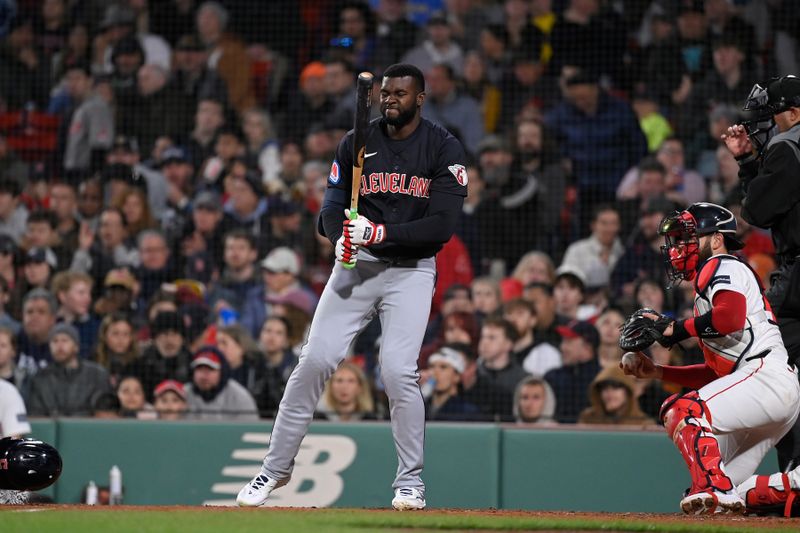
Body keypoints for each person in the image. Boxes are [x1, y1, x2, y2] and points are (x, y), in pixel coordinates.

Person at [237, 64, 467, 511]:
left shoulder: (443, 146)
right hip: (356, 266)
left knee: (398, 371)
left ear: (420, 98)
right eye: (386, 93)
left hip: (411, 271)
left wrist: (378, 233)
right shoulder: (357, 141)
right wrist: (339, 234)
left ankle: (410, 482)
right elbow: (330, 208)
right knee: (314, 360)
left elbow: (441, 226)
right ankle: (274, 469)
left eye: (400, 94)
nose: (390, 100)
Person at [620, 202, 800, 515]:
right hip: (767, 385)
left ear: (716, 239)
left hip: (766, 377)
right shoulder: (714, 282)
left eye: (688, 237)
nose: (679, 247)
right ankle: (792, 483)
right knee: (720, 499)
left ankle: (715, 487)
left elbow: (728, 319)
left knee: (684, 411)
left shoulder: (720, 264)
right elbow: (719, 376)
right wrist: (658, 371)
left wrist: (675, 328)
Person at [723, 75, 800, 471]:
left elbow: (756, 212)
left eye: (772, 115)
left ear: (795, 112)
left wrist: (748, 162)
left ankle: (793, 471)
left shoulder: (788, 147)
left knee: (771, 361)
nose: (766, 124)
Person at [27, 323, 113, 417]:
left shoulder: (97, 374)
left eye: (65, 340)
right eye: (55, 341)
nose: (59, 346)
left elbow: (105, 412)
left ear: (76, 347)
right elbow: (36, 414)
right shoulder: (40, 378)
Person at [184, 346, 259, 421]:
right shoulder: (183, 394)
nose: (203, 375)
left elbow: (251, 429)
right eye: (199, 369)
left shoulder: (239, 396)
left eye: (210, 369)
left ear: (222, 372)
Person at [578, 365, 654, 426]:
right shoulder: (588, 419)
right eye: (604, 387)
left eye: (615, 386)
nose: (609, 392)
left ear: (628, 392)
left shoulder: (643, 424)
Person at [424, 347, 480, 421]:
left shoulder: (468, 413)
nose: (435, 372)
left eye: (443, 367)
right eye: (432, 366)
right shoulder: (418, 408)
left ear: (457, 376)